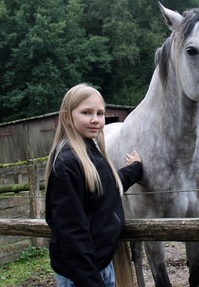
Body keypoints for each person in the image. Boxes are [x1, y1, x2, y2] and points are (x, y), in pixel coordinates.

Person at [44, 83, 143, 287]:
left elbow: (108, 187)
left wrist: (135, 169)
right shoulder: (67, 164)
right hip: (82, 274)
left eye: (100, 113)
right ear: (66, 117)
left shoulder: (90, 150)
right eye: (86, 112)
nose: (95, 119)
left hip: (100, 265)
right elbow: (72, 233)